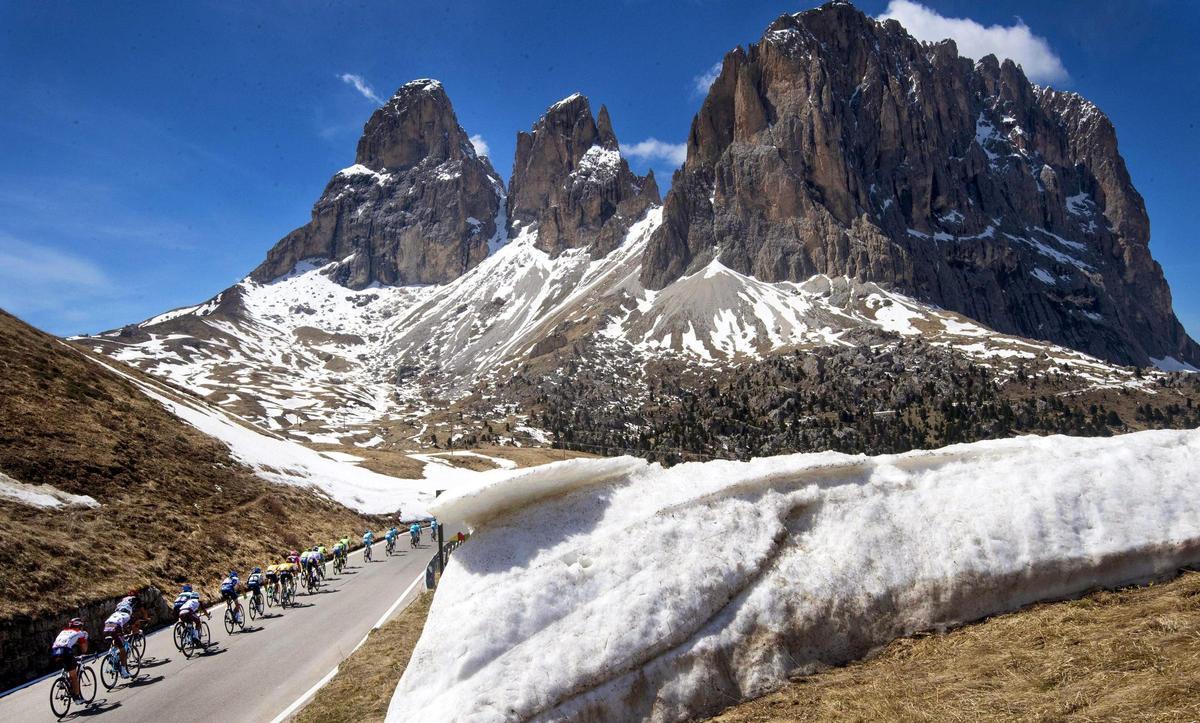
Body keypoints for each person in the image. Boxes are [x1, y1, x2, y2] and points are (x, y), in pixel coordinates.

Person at [50, 618, 89, 703]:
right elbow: (84, 650)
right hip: (65, 651)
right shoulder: (79, 633)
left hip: (54, 650)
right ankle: (77, 698)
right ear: (79, 626)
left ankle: (62, 678)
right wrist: (85, 639)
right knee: (73, 675)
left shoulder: (63, 631)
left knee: (66, 662)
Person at [102, 607, 134, 679]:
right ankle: (123, 671)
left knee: (116, 639)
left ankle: (110, 654)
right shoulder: (127, 615)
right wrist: (128, 633)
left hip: (106, 626)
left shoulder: (115, 613)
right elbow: (126, 627)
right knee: (122, 649)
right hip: (116, 627)